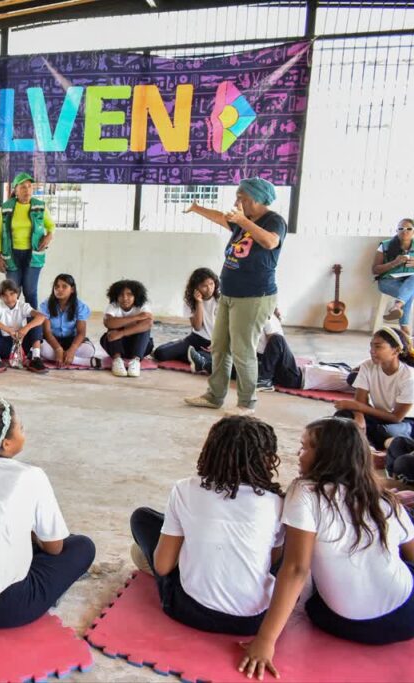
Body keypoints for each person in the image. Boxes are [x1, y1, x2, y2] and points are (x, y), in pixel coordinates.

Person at [239, 418, 414, 679]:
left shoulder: (305, 491)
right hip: (407, 620)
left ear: (328, 455)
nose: (298, 453)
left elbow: (296, 569)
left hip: (341, 623)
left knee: (296, 560)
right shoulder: (385, 501)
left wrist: (265, 640)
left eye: (305, 447)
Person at [0, 399, 96, 628]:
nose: (24, 431)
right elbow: (55, 547)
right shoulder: (31, 476)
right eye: (21, 428)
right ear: (6, 443)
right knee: (82, 546)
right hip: (7, 608)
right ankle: (45, 594)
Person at [129, 416, 284, 635]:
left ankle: (189, 556)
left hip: (186, 610)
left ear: (210, 452)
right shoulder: (277, 503)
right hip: (255, 622)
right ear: (268, 460)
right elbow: (273, 561)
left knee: (142, 518)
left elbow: (162, 567)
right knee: (294, 549)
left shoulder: (185, 489)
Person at [183, 177, 287, 416]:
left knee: (243, 350)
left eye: (242, 197)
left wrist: (242, 220)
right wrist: (197, 208)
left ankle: (246, 403)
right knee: (219, 346)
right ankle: (214, 395)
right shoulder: (243, 220)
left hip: (254, 296)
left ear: (256, 199)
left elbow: (270, 242)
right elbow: (221, 218)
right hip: (229, 294)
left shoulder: (274, 220)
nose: (237, 201)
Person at [333, 327, 414, 450]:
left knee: (384, 432)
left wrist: (359, 407)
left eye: (378, 346)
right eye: (371, 346)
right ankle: (364, 443)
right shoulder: (367, 366)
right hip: (379, 416)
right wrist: (359, 416)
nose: (372, 351)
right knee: (343, 417)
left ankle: (364, 444)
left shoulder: (409, 376)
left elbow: (396, 417)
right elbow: (360, 401)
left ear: (396, 350)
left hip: (405, 422)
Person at [0, 172, 56, 309]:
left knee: (30, 292)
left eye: (29, 186)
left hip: (34, 254)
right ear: (15, 190)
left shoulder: (40, 207)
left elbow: (51, 225)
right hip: (11, 255)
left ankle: (33, 323)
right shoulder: (5, 208)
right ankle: (11, 322)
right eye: (23, 187)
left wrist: (49, 236)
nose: (27, 190)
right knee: (12, 293)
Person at [153, 268, 219, 366]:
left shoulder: (221, 299)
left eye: (211, 284)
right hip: (196, 339)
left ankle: (193, 355)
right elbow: (197, 327)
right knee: (160, 353)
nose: (209, 288)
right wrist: (199, 302)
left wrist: (218, 343)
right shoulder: (190, 300)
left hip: (216, 342)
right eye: (204, 286)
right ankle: (191, 354)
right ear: (196, 287)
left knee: (216, 361)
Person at [0, 279, 48, 375]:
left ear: (17, 293)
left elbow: (41, 317)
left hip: (21, 344)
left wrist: (25, 328)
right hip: (4, 345)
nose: (9, 298)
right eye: (5, 295)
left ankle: (36, 358)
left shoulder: (23, 306)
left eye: (12, 294)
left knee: (35, 321)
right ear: (0, 296)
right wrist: (8, 330)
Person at [101, 279, 154, 378]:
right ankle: (117, 360)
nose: (125, 298)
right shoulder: (113, 305)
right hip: (116, 345)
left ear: (136, 296)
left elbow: (148, 323)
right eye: (121, 295)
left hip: (139, 347)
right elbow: (108, 323)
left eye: (129, 294)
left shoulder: (143, 305)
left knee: (144, 330)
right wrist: (136, 317)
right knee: (112, 329)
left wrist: (122, 333)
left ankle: (135, 362)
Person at [40, 273, 94, 367]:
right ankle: (75, 360)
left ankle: (65, 357)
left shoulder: (80, 306)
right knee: (41, 348)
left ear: (72, 289)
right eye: (56, 287)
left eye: (64, 286)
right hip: (52, 340)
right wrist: (58, 349)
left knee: (88, 350)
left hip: (71, 340)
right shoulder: (46, 305)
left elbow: (81, 333)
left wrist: (72, 350)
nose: (59, 289)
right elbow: (47, 332)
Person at [373, 218, 414, 338]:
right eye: (401, 228)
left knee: (411, 286)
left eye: (409, 229)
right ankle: (404, 327)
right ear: (396, 231)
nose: (404, 231)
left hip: (411, 280)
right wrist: (394, 263)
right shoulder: (385, 245)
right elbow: (375, 270)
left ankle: (397, 307)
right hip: (388, 281)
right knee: (409, 293)